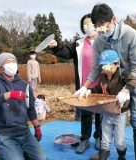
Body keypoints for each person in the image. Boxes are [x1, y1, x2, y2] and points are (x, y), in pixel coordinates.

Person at [75, 3, 136, 160]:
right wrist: (85, 87)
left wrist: (127, 90)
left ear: (113, 19)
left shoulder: (131, 34)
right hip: (115, 81)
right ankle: (105, 149)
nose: (101, 30)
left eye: (103, 25)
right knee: (108, 115)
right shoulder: (100, 41)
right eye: (98, 27)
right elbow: (96, 67)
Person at [49, 13, 101, 154]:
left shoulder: (104, 41)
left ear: (96, 24)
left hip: (101, 84)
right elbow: (66, 53)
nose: (87, 26)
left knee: (100, 113)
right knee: (85, 113)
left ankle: (99, 138)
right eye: (84, 24)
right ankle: (85, 140)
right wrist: (55, 47)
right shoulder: (79, 43)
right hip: (84, 85)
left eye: (90, 23)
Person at [0, 52, 46, 160]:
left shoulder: (24, 85)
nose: (12, 64)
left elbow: (31, 108)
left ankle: (17, 150)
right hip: (4, 134)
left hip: (24, 131)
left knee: (41, 157)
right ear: (1, 67)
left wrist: (37, 127)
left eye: (14, 61)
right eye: (8, 62)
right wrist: (9, 95)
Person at [89, 50, 136, 160]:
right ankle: (102, 157)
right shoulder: (102, 76)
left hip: (120, 113)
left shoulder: (123, 73)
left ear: (116, 64)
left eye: (109, 65)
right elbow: (98, 89)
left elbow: (134, 81)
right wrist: (88, 91)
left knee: (119, 142)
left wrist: (125, 91)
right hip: (107, 112)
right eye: (103, 66)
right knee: (105, 141)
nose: (105, 69)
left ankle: (121, 156)